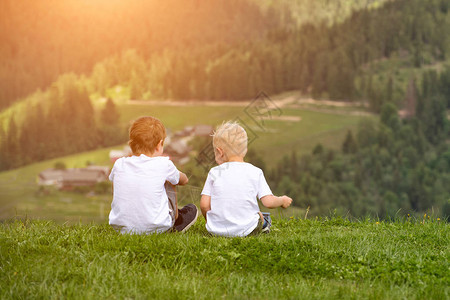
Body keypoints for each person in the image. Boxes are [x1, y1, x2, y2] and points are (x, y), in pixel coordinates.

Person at [200, 121, 292, 237]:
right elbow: (268, 202)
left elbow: (204, 205)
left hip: (215, 230)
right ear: (245, 150)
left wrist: (211, 222)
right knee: (262, 216)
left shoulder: (214, 172)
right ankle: (262, 226)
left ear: (219, 152)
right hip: (247, 230)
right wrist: (282, 200)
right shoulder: (255, 172)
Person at [109, 116, 198, 234]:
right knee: (170, 180)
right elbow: (184, 180)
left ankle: (128, 218)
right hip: (158, 227)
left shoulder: (119, 164)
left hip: (122, 229)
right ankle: (177, 220)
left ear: (131, 144)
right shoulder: (164, 164)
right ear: (159, 144)